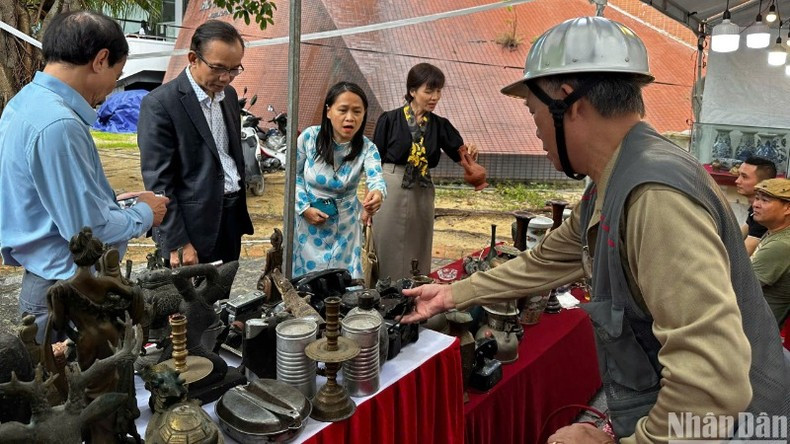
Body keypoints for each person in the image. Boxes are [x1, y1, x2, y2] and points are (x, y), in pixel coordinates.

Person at [401, 17, 790, 444]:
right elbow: (549, 259)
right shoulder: (615, 176)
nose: (536, 132)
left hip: (739, 429)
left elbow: (712, 385)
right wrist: (452, 294)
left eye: (534, 113)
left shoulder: (654, 197)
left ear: (569, 103)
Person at [0, 10, 168, 343]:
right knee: (79, 387)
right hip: (69, 294)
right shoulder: (58, 124)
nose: (111, 88)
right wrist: (146, 213)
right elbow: (88, 234)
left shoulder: (25, 104)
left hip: (48, 281)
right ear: (101, 60)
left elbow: (49, 200)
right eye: (117, 74)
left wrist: (111, 201)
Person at [138, 20, 253, 267]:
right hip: (190, 226)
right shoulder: (161, 104)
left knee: (222, 297)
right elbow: (159, 183)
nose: (225, 78)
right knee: (188, 303)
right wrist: (178, 241)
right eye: (218, 68)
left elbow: (229, 156)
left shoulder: (229, 96)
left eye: (234, 70)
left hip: (230, 218)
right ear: (193, 58)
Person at [373, 63, 479, 279]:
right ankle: (384, 290)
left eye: (438, 91)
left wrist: (470, 153)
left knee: (418, 240)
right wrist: (372, 193)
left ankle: (416, 289)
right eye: (429, 91)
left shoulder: (440, 125)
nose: (435, 97)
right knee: (386, 240)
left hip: (423, 188)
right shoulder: (389, 119)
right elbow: (375, 160)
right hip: (390, 185)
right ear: (412, 91)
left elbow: (461, 156)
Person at [292, 81, 386, 278]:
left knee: (342, 282)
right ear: (328, 111)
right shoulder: (309, 138)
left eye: (357, 111)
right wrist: (304, 208)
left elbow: (376, 178)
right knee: (306, 282)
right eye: (342, 110)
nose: (349, 118)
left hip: (346, 228)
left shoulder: (367, 148)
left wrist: (377, 194)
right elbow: (294, 175)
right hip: (307, 226)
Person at [750, 178, 790, 327]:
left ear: (787, 208)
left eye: (765, 200)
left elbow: (738, 288)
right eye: (757, 199)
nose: (755, 204)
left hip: (754, 331)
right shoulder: (776, 232)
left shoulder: (781, 245)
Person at [735, 156, 777, 256]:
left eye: (744, 177)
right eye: (739, 175)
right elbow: (735, 237)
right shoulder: (755, 207)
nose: (737, 181)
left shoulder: (765, 214)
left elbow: (741, 257)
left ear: (762, 183)